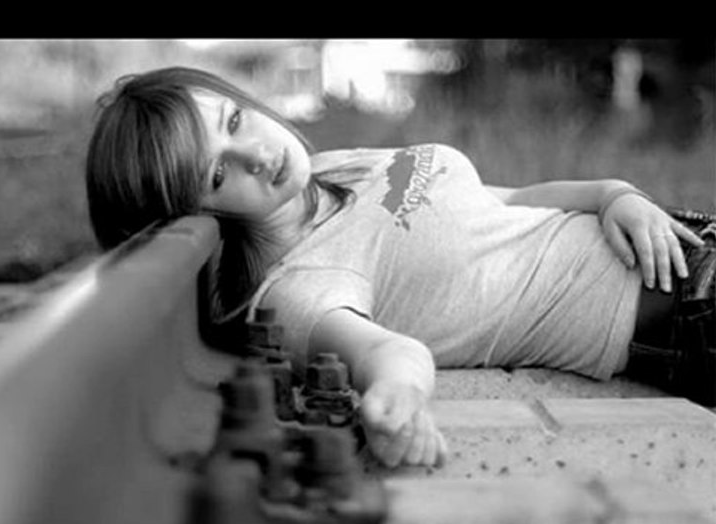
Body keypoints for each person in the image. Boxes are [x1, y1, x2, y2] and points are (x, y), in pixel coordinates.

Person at [84, 66, 713, 469]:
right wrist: (396, 399)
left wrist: (614, 194)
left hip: (679, 237)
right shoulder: (296, 288)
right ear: (198, 215)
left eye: (235, 121)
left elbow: (512, 200)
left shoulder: (332, 167)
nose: (255, 154)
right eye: (218, 173)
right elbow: (388, 353)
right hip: (680, 312)